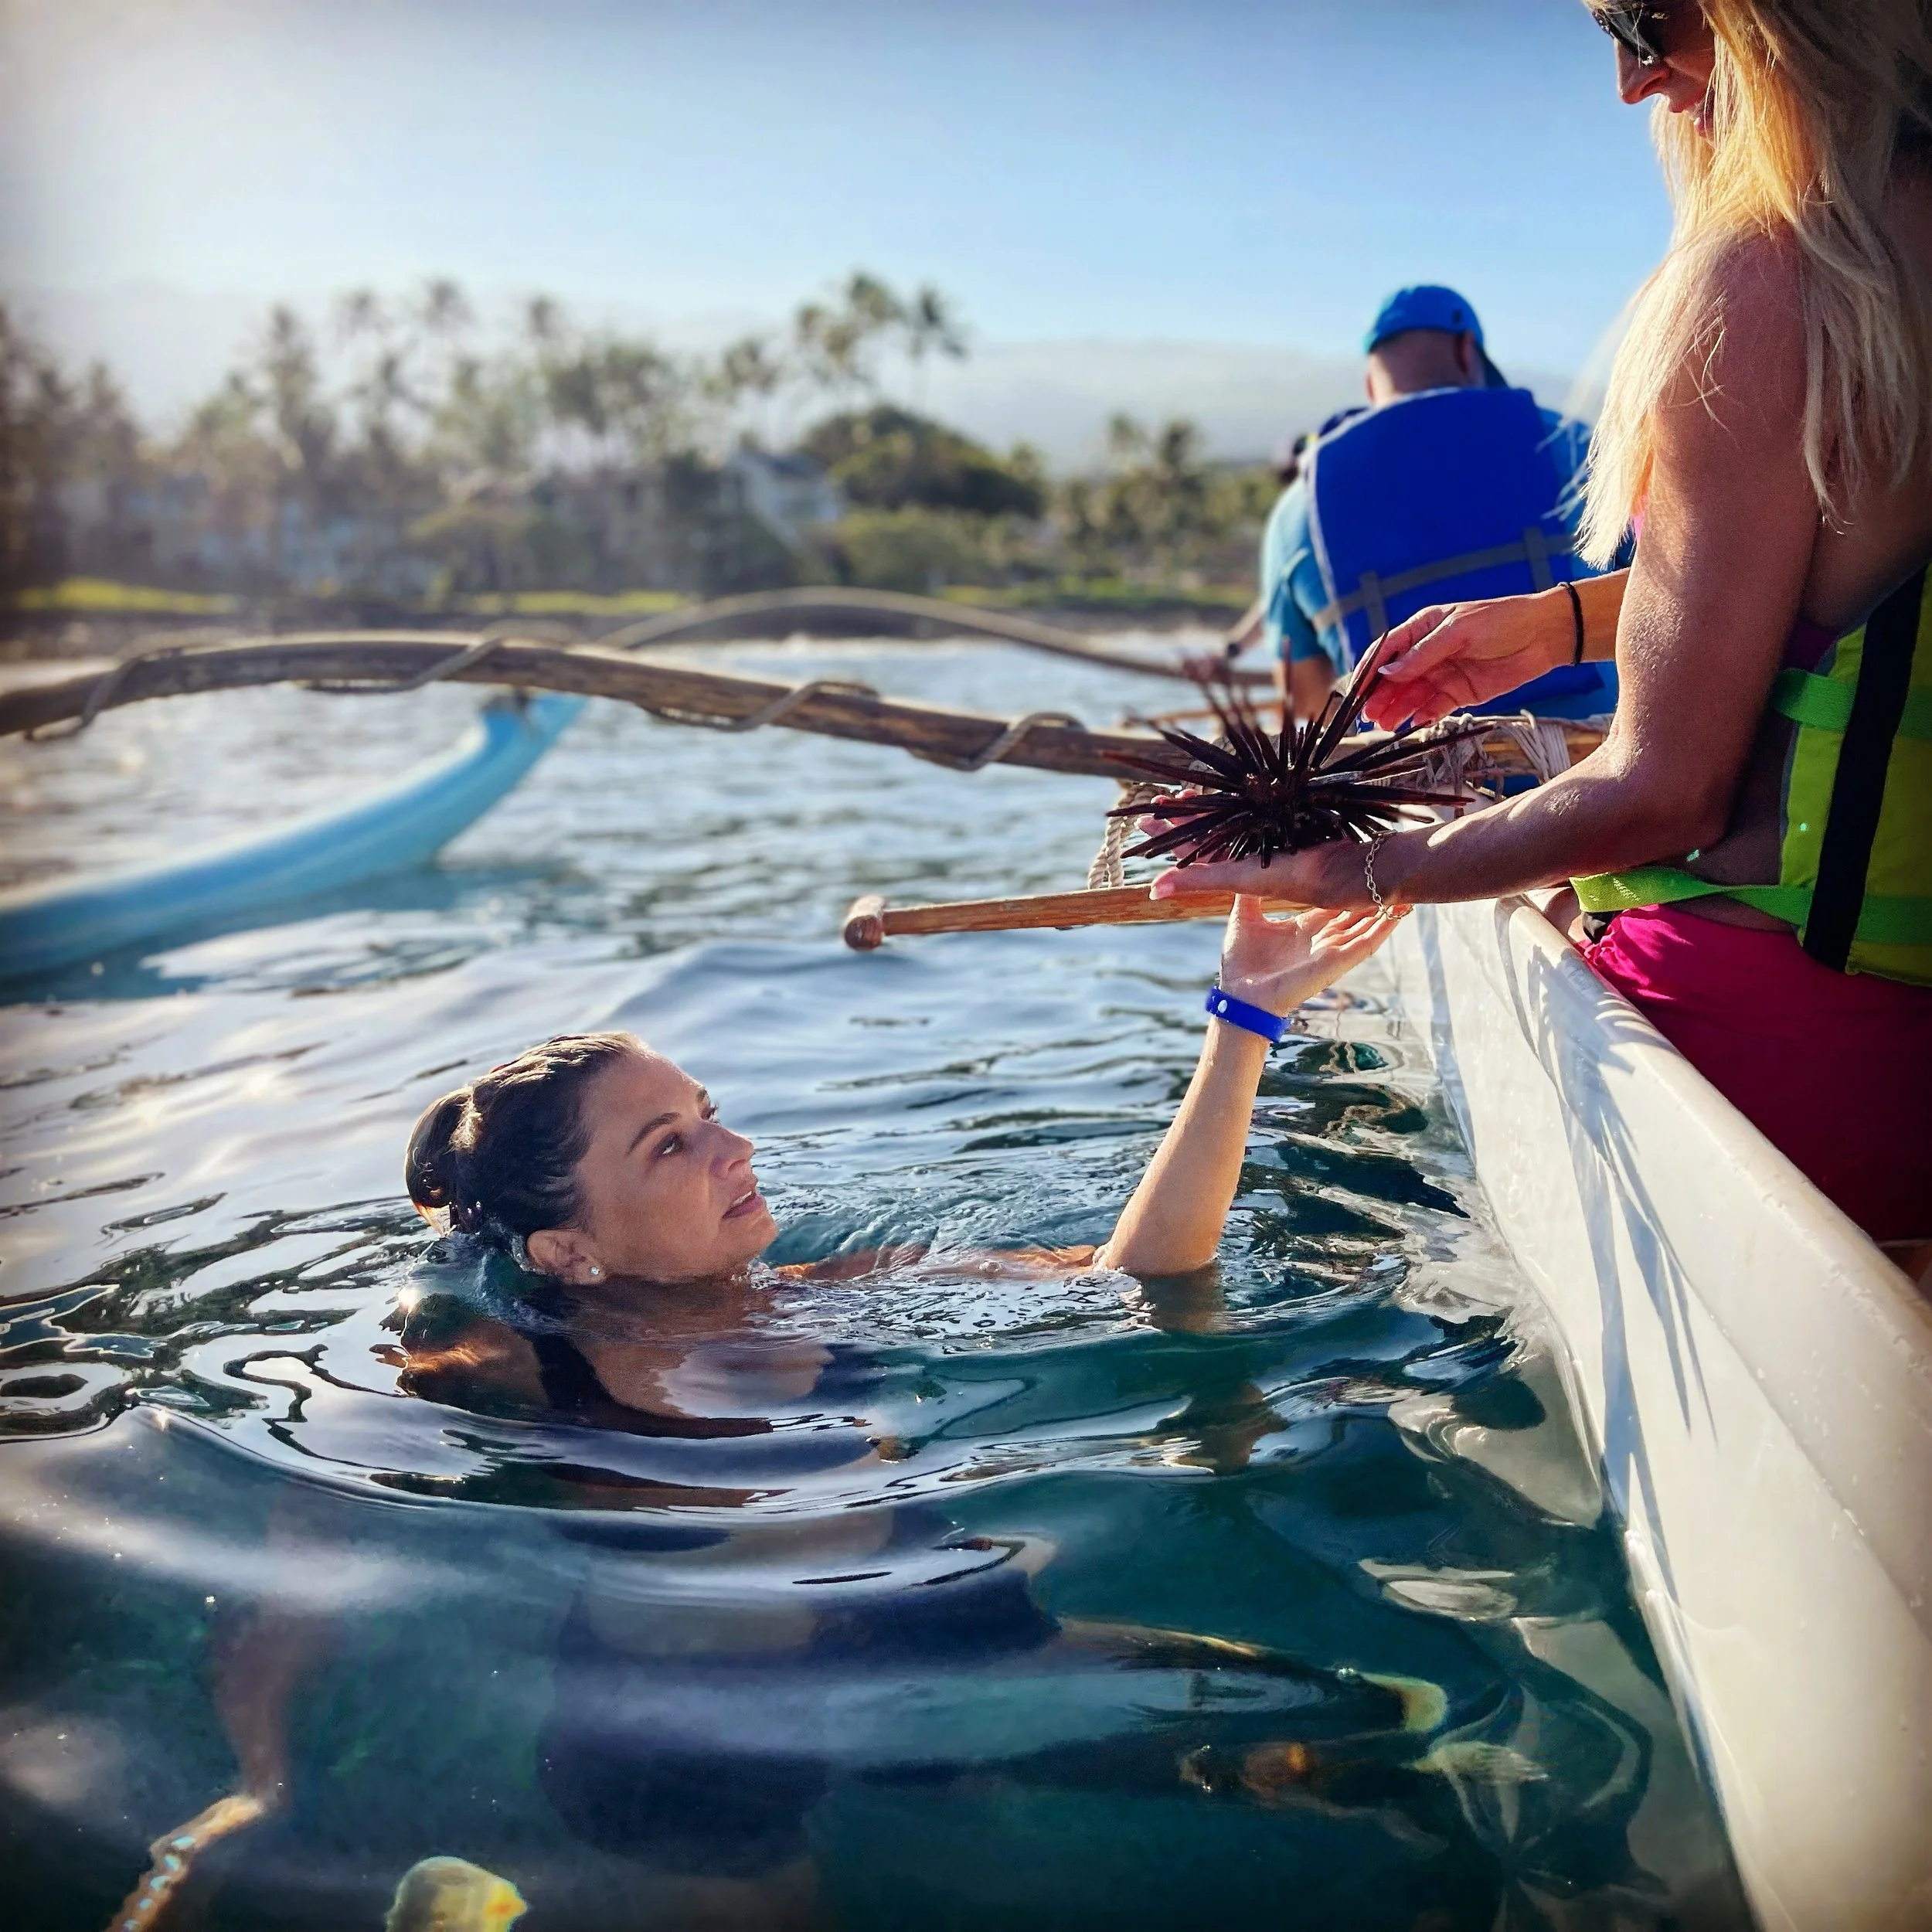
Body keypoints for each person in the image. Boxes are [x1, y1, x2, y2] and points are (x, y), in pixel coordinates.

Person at [1151, 1, 1932, 1268]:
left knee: (1573, 887)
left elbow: (1662, 796)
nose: (1631, 81)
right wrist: (1566, 615)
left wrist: (1356, 873)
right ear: (1467, 352)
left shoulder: (1776, 283)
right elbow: (1858, 582)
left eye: (1645, 17)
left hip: (1796, 1045)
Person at [1249, 285, 1612, 724]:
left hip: (1407, 787)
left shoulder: (1295, 510)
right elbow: (1661, 596)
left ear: (1370, 386)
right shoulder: (1577, 446)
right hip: (1587, 769)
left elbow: (1305, 703)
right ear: (1466, 352)